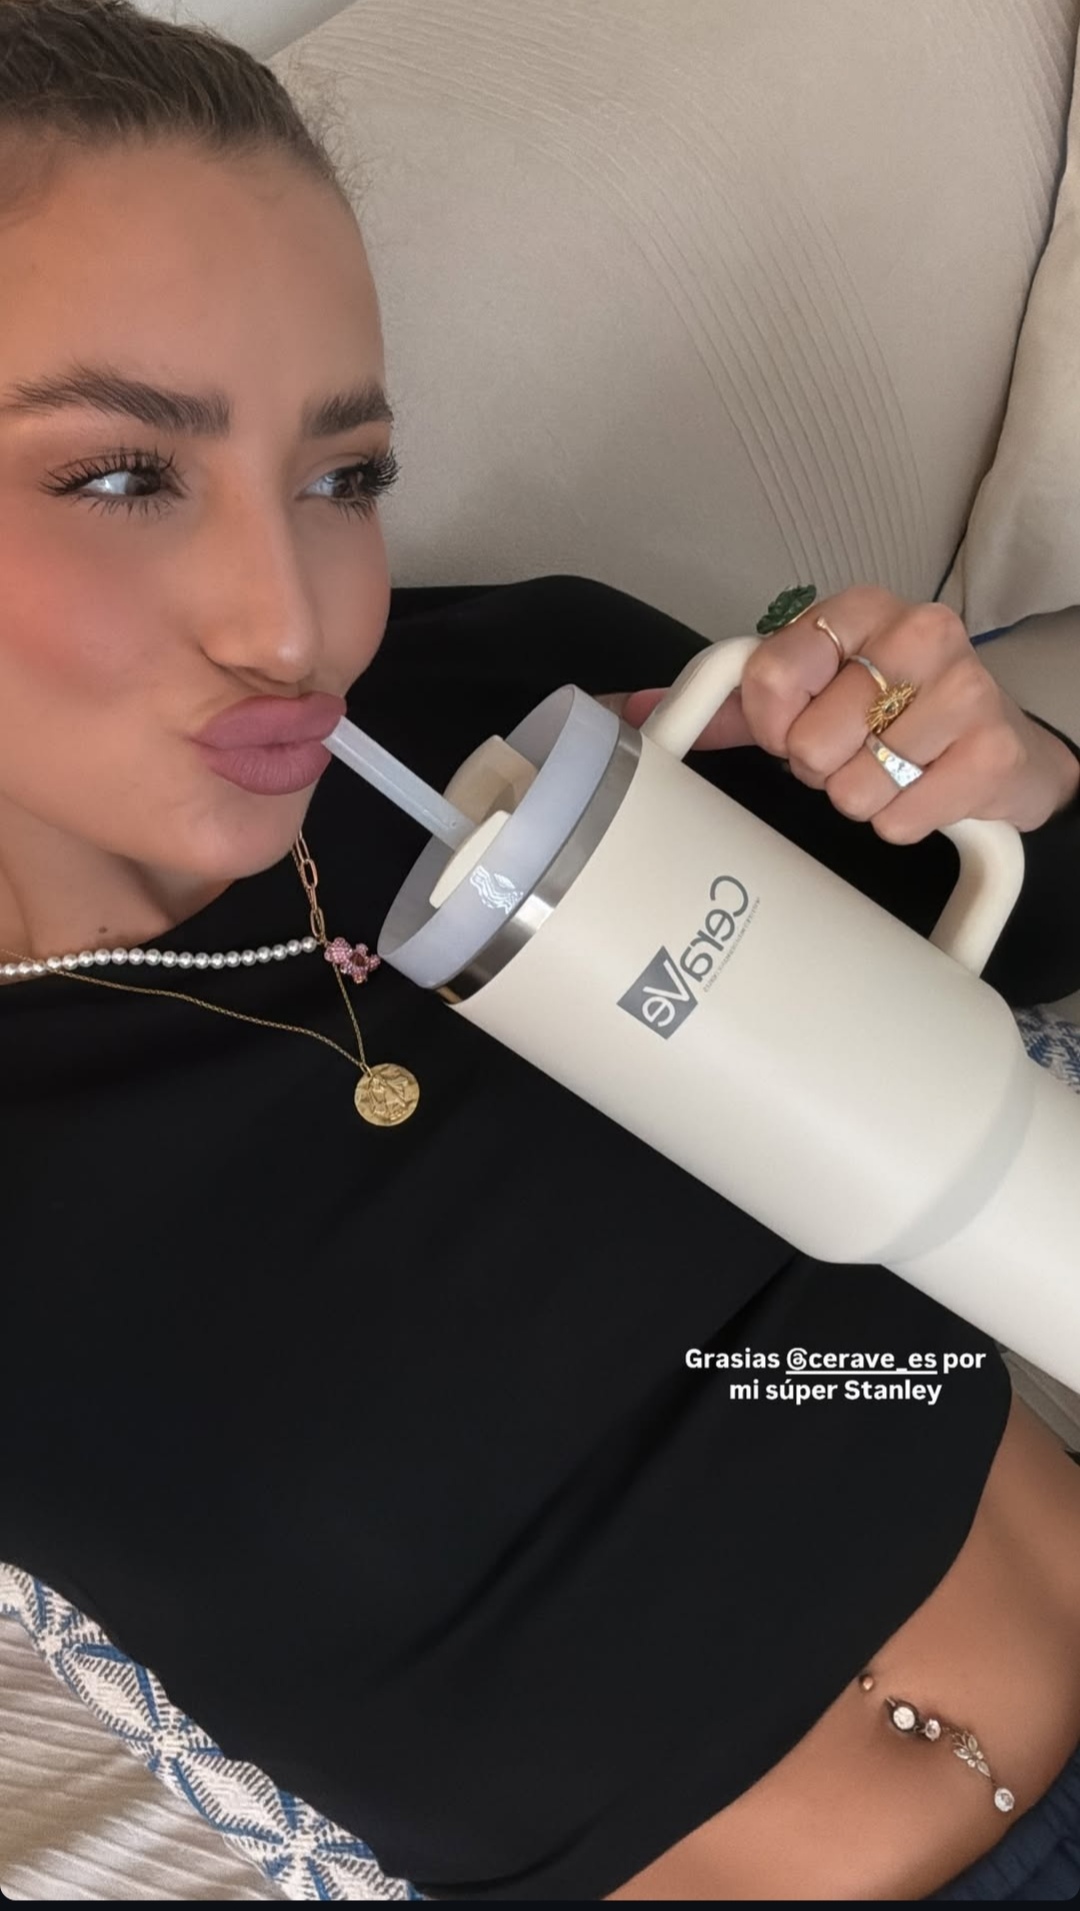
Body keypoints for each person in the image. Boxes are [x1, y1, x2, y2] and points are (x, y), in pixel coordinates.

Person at [2, 2, 1080, 1900]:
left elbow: (1021, 938)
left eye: (345, 475)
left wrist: (997, 769)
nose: (293, 623)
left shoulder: (523, 722)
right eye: (118, 476)